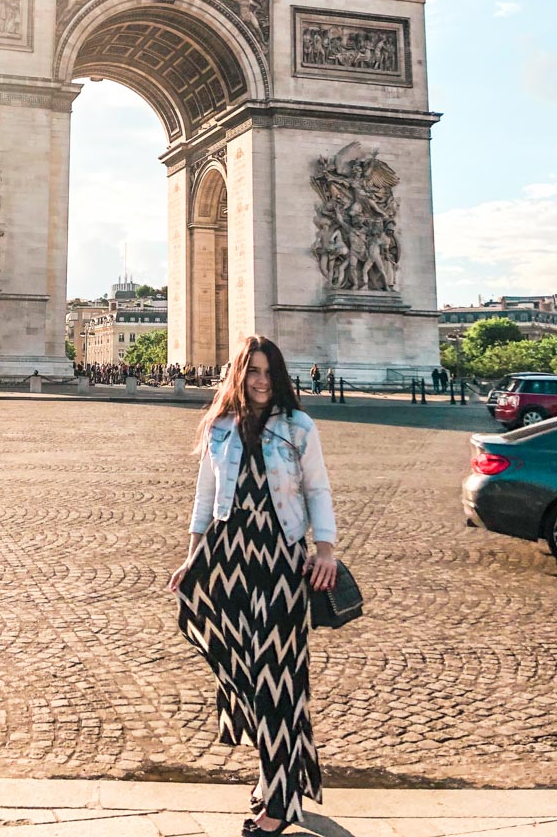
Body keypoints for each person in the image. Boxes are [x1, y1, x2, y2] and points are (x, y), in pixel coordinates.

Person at [169, 335, 337, 834]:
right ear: (239, 375)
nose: (261, 380)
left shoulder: (299, 426)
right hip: (227, 558)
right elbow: (203, 498)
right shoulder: (219, 426)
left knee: (278, 678)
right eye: (252, 371)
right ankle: (279, 772)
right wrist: (193, 556)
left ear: (279, 375)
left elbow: (318, 488)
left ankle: (280, 802)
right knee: (244, 672)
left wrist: (324, 549)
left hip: (279, 560)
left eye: (268, 371)